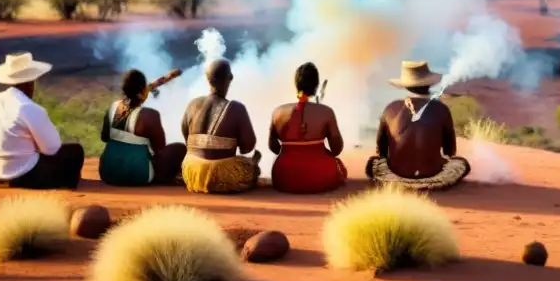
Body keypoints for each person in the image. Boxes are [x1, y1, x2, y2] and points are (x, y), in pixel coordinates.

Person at [0, 52, 85, 190]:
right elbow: (52, 148)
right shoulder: (28, 107)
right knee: (75, 151)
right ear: (30, 82)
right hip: (20, 175)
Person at [365, 60, 470, 190]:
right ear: (429, 83)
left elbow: (381, 152)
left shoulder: (390, 108)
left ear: (405, 85)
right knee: (461, 164)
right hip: (434, 178)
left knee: (372, 164)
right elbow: (450, 151)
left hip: (395, 178)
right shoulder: (441, 109)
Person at [180, 58, 261, 194]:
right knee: (252, 168)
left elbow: (186, 137)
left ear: (207, 78)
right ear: (230, 78)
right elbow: (247, 148)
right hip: (220, 176)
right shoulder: (236, 108)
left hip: (191, 172)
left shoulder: (193, 104)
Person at [98, 69, 187, 187]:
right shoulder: (149, 115)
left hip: (107, 172)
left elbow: (104, 137)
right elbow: (159, 150)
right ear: (140, 93)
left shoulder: (113, 107)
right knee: (179, 149)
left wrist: (169, 76)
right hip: (138, 175)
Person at [269, 62, 347, 194]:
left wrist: (292, 148)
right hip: (320, 176)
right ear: (316, 86)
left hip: (284, 177)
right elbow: (336, 149)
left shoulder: (278, 112)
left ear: (296, 84)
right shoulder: (326, 112)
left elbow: (274, 147)